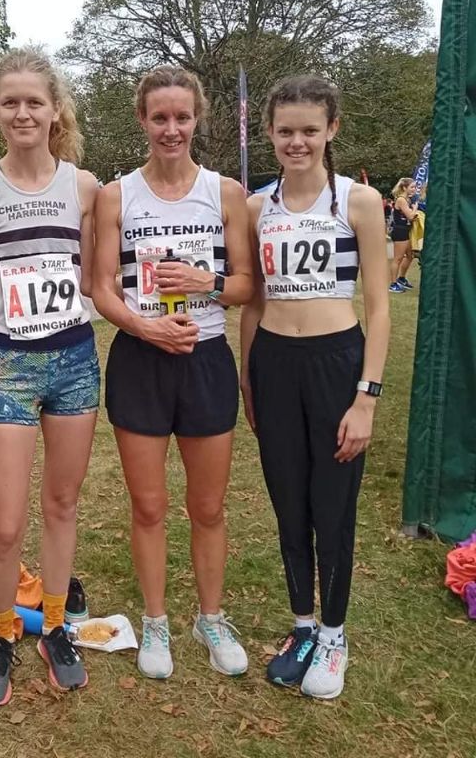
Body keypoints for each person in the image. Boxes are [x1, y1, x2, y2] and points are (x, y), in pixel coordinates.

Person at [92, 66, 255, 680]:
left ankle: (209, 618)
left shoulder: (224, 192)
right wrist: (143, 326)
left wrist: (207, 282)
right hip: (141, 359)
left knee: (208, 506)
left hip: (205, 357)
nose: (171, 128)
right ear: (143, 120)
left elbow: (245, 284)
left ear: (197, 119)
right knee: (150, 505)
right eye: (159, 117)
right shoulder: (118, 195)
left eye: (181, 117)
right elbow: (100, 287)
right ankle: (156, 622)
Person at [0, 47, 100, 705]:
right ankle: (3, 629)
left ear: (54, 110)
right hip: (9, 367)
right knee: (7, 522)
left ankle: (57, 626)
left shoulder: (86, 187)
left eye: (33, 101)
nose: (22, 112)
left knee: (63, 504)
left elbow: (95, 279)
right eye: (10, 101)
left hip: (73, 360)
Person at [240, 75, 390, 700]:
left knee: (332, 507)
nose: (296, 142)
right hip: (275, 361)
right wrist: (249, 380)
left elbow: (379, 308)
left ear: (331, 129)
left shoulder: (359, 202)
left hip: (336, 360)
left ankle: (334, 633)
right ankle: (302, 625)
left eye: (308, 130)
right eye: (285, 132)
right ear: (269, 135)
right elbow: (251, 305)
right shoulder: (255, 206)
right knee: (289, 504)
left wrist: (365, 397)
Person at [388, 177, 417, 293]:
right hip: (400, 231)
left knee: (410, 255)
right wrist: (415, 209)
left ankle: (402, 278)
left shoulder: (407, 200)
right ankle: (393, 284)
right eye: (412, 187)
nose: (414, 189)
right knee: (398, 258)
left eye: (415, 187)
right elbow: (410, 216)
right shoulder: (401, 200)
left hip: (406, 230)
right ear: (404, 187)